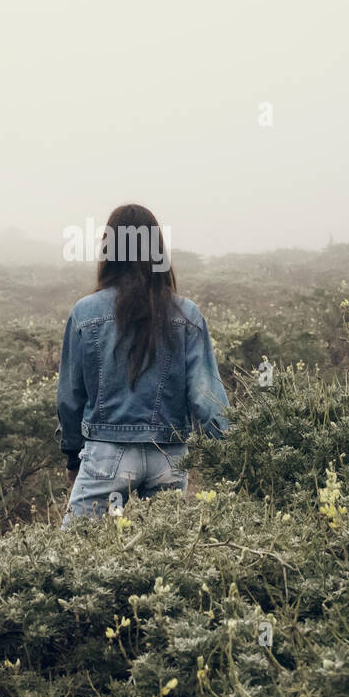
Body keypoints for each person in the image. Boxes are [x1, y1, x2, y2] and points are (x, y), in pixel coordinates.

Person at [57, 203, 230, 527]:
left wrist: (72, 456)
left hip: (107, 455)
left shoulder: (85, 313)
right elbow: (207, 395)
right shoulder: (187, 315)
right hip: (168, 456)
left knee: (72, 561)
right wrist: (236, 458)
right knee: (163, 559)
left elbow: (70, 398)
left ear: (109, 250)